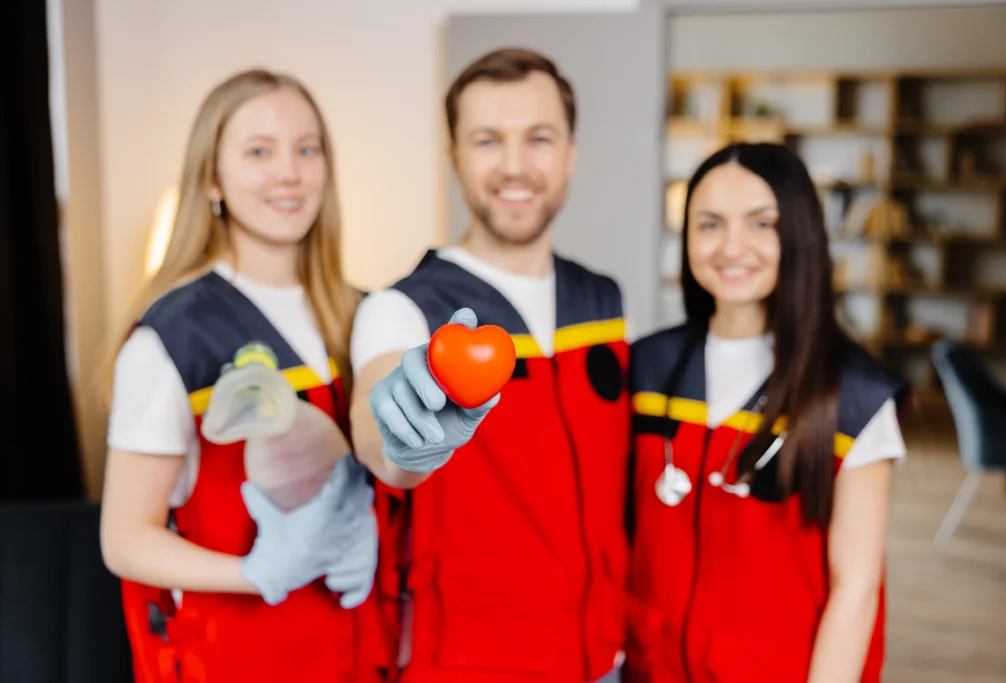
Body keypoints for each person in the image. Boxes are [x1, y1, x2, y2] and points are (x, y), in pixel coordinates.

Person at [348, 48, 631, 683]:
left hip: (605, 659)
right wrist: (404, 442)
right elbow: (378, 437)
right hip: (470, 665)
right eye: (486, 140)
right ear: (454, 157)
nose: (514, 166)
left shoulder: (605, 302)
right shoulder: (403, 311)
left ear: (570, 153)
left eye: (538, 138)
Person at [98, 69, 385, 683]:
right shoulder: (171, 339)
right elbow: (125, 539)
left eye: (307, 149)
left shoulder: (366, 317)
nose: (290, 172)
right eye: (259, 152)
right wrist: (259, 572)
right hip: (236, 660)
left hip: (360, 655)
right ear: (211, 177)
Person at [624, 142, 909, 683]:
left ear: (799, 234)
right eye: (709, 224)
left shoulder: (854, 395)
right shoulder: (646, 367)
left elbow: (856, 588)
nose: (733, 247)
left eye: (761, 224)